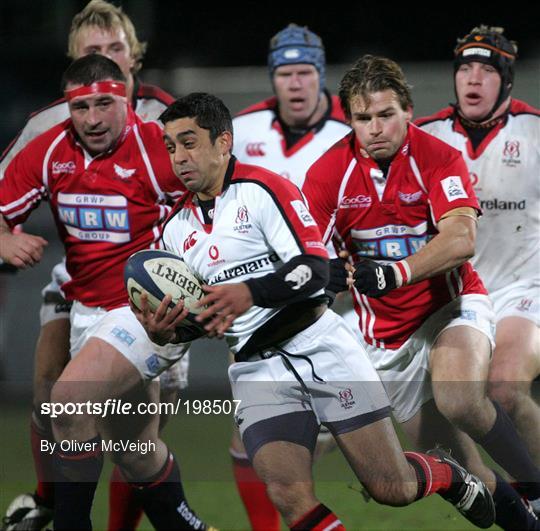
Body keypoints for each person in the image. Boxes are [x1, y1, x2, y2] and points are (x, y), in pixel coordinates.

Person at [133, 91, 496, 531]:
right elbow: (204, 314)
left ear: (224, 142)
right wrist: (168, 331)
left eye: (189, 142)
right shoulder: (174, 231)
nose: (179, 157)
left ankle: (447, 474)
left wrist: (249, 292)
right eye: (170, 147)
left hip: (319, 346)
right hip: (256, 369)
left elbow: (314, 269)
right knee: (289, 495)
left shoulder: (265, 189)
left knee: (392, 488)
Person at [302, 54, 540, 529]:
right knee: (466, 476)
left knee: (460, 397)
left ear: (408, 110)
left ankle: (536, 487)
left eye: (386, 114)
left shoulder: (437, 156)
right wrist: (321, 272)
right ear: (349, 120)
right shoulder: (329, 173)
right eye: (363, 118)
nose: (375, 128)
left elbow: (460, 238)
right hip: (386, 337)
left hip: (451, 307)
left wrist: (395, 273)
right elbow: (307, 249)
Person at [0, 54, 213, 531]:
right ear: (67, 109)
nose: (92, 119)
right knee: (135, 453)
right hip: (85, 314)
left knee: (69, 404)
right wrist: (4, 238)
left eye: (103, 104)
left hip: (143, 314)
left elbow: (221, 197)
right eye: (81, 108)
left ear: (126, 99)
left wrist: (207, 290)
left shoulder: (158, 149)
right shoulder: (51, 151)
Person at [231, 23, 352, 530]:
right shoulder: (241, 130)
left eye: (305, 72)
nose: (296, 84)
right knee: (249, 437)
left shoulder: (354, 129)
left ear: (320, 76)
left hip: (342, 299)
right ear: (273, 79)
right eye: (286, 73)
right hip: (263, 301)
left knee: (376, 447)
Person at [415, 26, 540, 497]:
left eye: (487, 70)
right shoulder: (425, 136)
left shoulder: (534, 132)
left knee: (505, 389)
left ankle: (536, 495)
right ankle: (498, 500)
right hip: (455, 298)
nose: (473, 78)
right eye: (465, 68)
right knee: (435, 419)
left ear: (506, 81)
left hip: (521, 289)